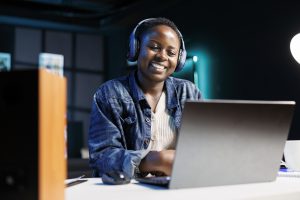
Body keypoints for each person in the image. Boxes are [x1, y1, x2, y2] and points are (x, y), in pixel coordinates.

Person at [88, 17, 201, 179]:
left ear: (179, 60)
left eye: (171, 52)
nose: (162, 56)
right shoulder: (110, 93)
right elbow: (101, 157)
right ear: (136, 49)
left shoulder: (188, 92)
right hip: (127, 189)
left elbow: (202, 147)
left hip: (179, 184)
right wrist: (152, 160)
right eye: (154, 47)